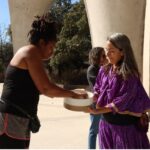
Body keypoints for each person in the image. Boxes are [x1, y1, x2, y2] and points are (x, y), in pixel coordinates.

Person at [0, 13, 87, 149]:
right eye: (51, 47)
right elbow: (46, 89)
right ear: (42, 42)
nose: (52, 52)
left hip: (19, 119)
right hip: (11, 119)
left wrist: (71, 91)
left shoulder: (32, 54)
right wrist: (73, 94)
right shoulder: (30, 52)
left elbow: (46, 86)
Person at [89, 33, 150, 149]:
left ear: (122, 52)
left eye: (111, 51)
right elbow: (97, 87)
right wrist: (92, 97)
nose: (107, 54)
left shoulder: (130, 75)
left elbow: (122, 101)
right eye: (106, 50)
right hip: (106, 126)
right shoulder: (104, 70)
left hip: (124, 129)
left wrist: (98, 111)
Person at [87, 47, 107, 149]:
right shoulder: (92, 69)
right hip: (95, 105)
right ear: (97, 56)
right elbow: (98, 86)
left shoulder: (103, 68)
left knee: (103, 130)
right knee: (94, 130)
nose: (105, 57)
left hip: (104, 105)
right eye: (103, 55)